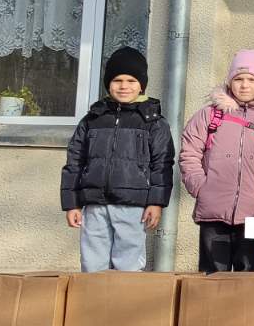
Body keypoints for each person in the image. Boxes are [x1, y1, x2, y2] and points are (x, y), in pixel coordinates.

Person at [62, 46, 174, 272]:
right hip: (94, 204)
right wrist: (72, 204)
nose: (124, 86)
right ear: (107, 83)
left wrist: (156, 202)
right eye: (117, 80)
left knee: (128, 264)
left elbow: (162, 164)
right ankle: (93, 306)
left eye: (131, 80)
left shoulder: (153, 122)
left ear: (141, 84)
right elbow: (74, 161)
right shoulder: (92, 119)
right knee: (92, 264)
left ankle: (124, 306)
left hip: (132, 206)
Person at [178, 48, 254, 274]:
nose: (244, 85)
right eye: (238, 79)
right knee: (212, 274)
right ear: (230, 81)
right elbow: (189, 151)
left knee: (247, 272)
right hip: (213, 210)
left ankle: (242, 311)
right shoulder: (210, 115)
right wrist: (201, 187)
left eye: (251, 79)